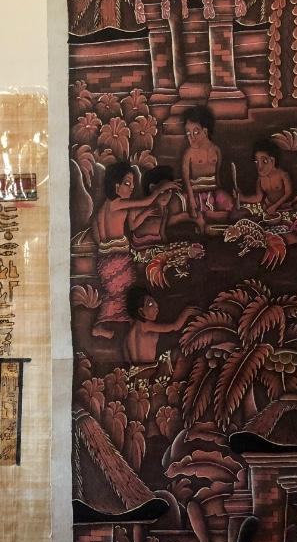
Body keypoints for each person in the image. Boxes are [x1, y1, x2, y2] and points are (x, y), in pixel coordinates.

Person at [90, 163, 177, 339]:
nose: (131, 188)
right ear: (116, 186)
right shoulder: (116, 204)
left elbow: (132, 225)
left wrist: (145, 214)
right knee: (118, 293)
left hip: (108, 256)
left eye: (132, 184)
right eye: (127, 183)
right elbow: (146, 201)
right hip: (116, 257)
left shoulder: (107, 208)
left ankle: (117, 323)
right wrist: (161, 189)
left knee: (120, 292)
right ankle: (99, 325)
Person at [180, 105, 235, 231]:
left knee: (228, 206)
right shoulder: (189, 153)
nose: (191, 137)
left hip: (214, 192)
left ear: (205, 131)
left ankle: (211, 218)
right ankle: (205, 220)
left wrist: (221, 192)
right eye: (188, 133)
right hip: (196, 194)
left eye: (195, 132)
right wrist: (191, 199)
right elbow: (186, 179)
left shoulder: (216, 150)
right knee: (197, 212)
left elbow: (218, 176)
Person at [122, 286, 198, 365]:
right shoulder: (145, 325)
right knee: (178, 353)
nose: (156, 306)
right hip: (148, 368)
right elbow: (175, 326)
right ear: (141, 311)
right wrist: (186, 313)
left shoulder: (129, 335)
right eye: (150, 304)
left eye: (155, 302)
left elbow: (127, 359)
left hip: (136, 370)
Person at [240, 140, 293, 218]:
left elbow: (288, 193)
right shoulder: (260, 179)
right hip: (267, 209)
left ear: (272, 161)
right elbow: (259, 197)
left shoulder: (283, 175)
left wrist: (275, 206)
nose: (260, 167)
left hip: (284, 208)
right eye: (257, 162)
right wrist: (242, 198)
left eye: (264, 161)